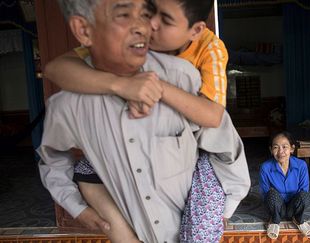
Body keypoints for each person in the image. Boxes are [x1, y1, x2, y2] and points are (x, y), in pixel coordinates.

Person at [38, 0, 250, 242]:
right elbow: (54, 71)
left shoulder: (184, 76)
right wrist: (78, 208)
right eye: (124, 15)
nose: (146, 25)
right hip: (135, 226)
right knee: (87, 171)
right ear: (84, 30)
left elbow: (219, 131)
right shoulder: (70, 104)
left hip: (193, 204)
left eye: (145, 13)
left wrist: (225, 207)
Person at [259, 131, 310, 239]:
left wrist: (295, 206)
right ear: (271, 150)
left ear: (292, 149)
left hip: (294, 206)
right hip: (276, 206)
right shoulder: (265, 167)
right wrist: (275, 205)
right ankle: (275, 221)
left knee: (305, 195)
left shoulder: (301, 165)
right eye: (276, 147)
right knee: (271, 194)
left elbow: (304, 189)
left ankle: (298, 219)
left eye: (285, 147)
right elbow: (265, 193)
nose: (281, 152)